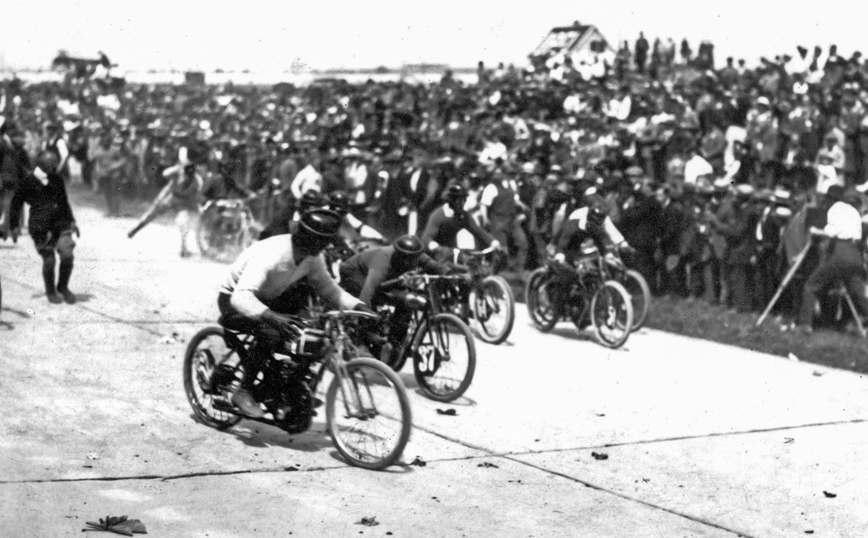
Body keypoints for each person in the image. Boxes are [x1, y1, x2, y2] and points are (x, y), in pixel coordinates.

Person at [218, 209, 372, 418]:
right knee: (270, 333)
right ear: (311, 239)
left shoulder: (312, 257)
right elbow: (240, 297)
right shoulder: (273, 253)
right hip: (233, 301)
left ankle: (285, 389)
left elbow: (329, 290)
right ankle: (244, 391)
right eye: (323, 242)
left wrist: (359, 306)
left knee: (312, 335)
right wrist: (273, 316)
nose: (326, 246)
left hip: (269, 298)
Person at [339, 234, 450, 364]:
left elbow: (433, 265)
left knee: (407, 302)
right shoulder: (382, 263)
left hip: (386, 278)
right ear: (398, 254)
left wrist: (452, 274)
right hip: (354, 272)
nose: (408, 262)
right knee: (373, 300)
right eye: (404, 258)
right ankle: (360, 339)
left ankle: (395, 344)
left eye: (411, 259)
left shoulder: (415, 254)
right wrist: (367, 318)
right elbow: (367, 294)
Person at [7, 151, 80, 304]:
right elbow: (15, 204)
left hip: (61, 224)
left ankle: (63, 287)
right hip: (40, 227)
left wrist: (72, 221)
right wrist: (14, 226)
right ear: (42, 165)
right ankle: (50, 291)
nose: (54, 167)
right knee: (49, 260)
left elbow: (64, 201)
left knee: (67, 255)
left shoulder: (57, 178)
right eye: (51, 165)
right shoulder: (28, 181)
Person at [796, 186, 868, 332]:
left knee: (811, 286)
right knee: (858, 294)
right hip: (855, 255)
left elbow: (831, 232)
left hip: (840, 251)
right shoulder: (854, 213)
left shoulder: (836, 208)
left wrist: (815, 231)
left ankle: (805, 324)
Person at [128, 163, 204, 257]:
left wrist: (196, 208)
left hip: (185, 201)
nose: (188, 177)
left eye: (190, 175)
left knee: (184, 220)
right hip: (171, 197)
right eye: (187, 174)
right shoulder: (177, 174)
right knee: (153, 212)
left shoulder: (197, 181)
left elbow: (196, 197)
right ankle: (136, 228)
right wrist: (177, 168)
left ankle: (183, 248)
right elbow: (165, 174)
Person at [420, 183, 499, 263]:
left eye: (465, 199)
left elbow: (478, 230)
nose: (464, 202)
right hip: (435, 256)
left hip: (452, 254)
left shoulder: (463, 216)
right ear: (452, 200)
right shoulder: (438, 216)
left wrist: (493, 242)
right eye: (461, 200)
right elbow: (426, 238)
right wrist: (438, 248)